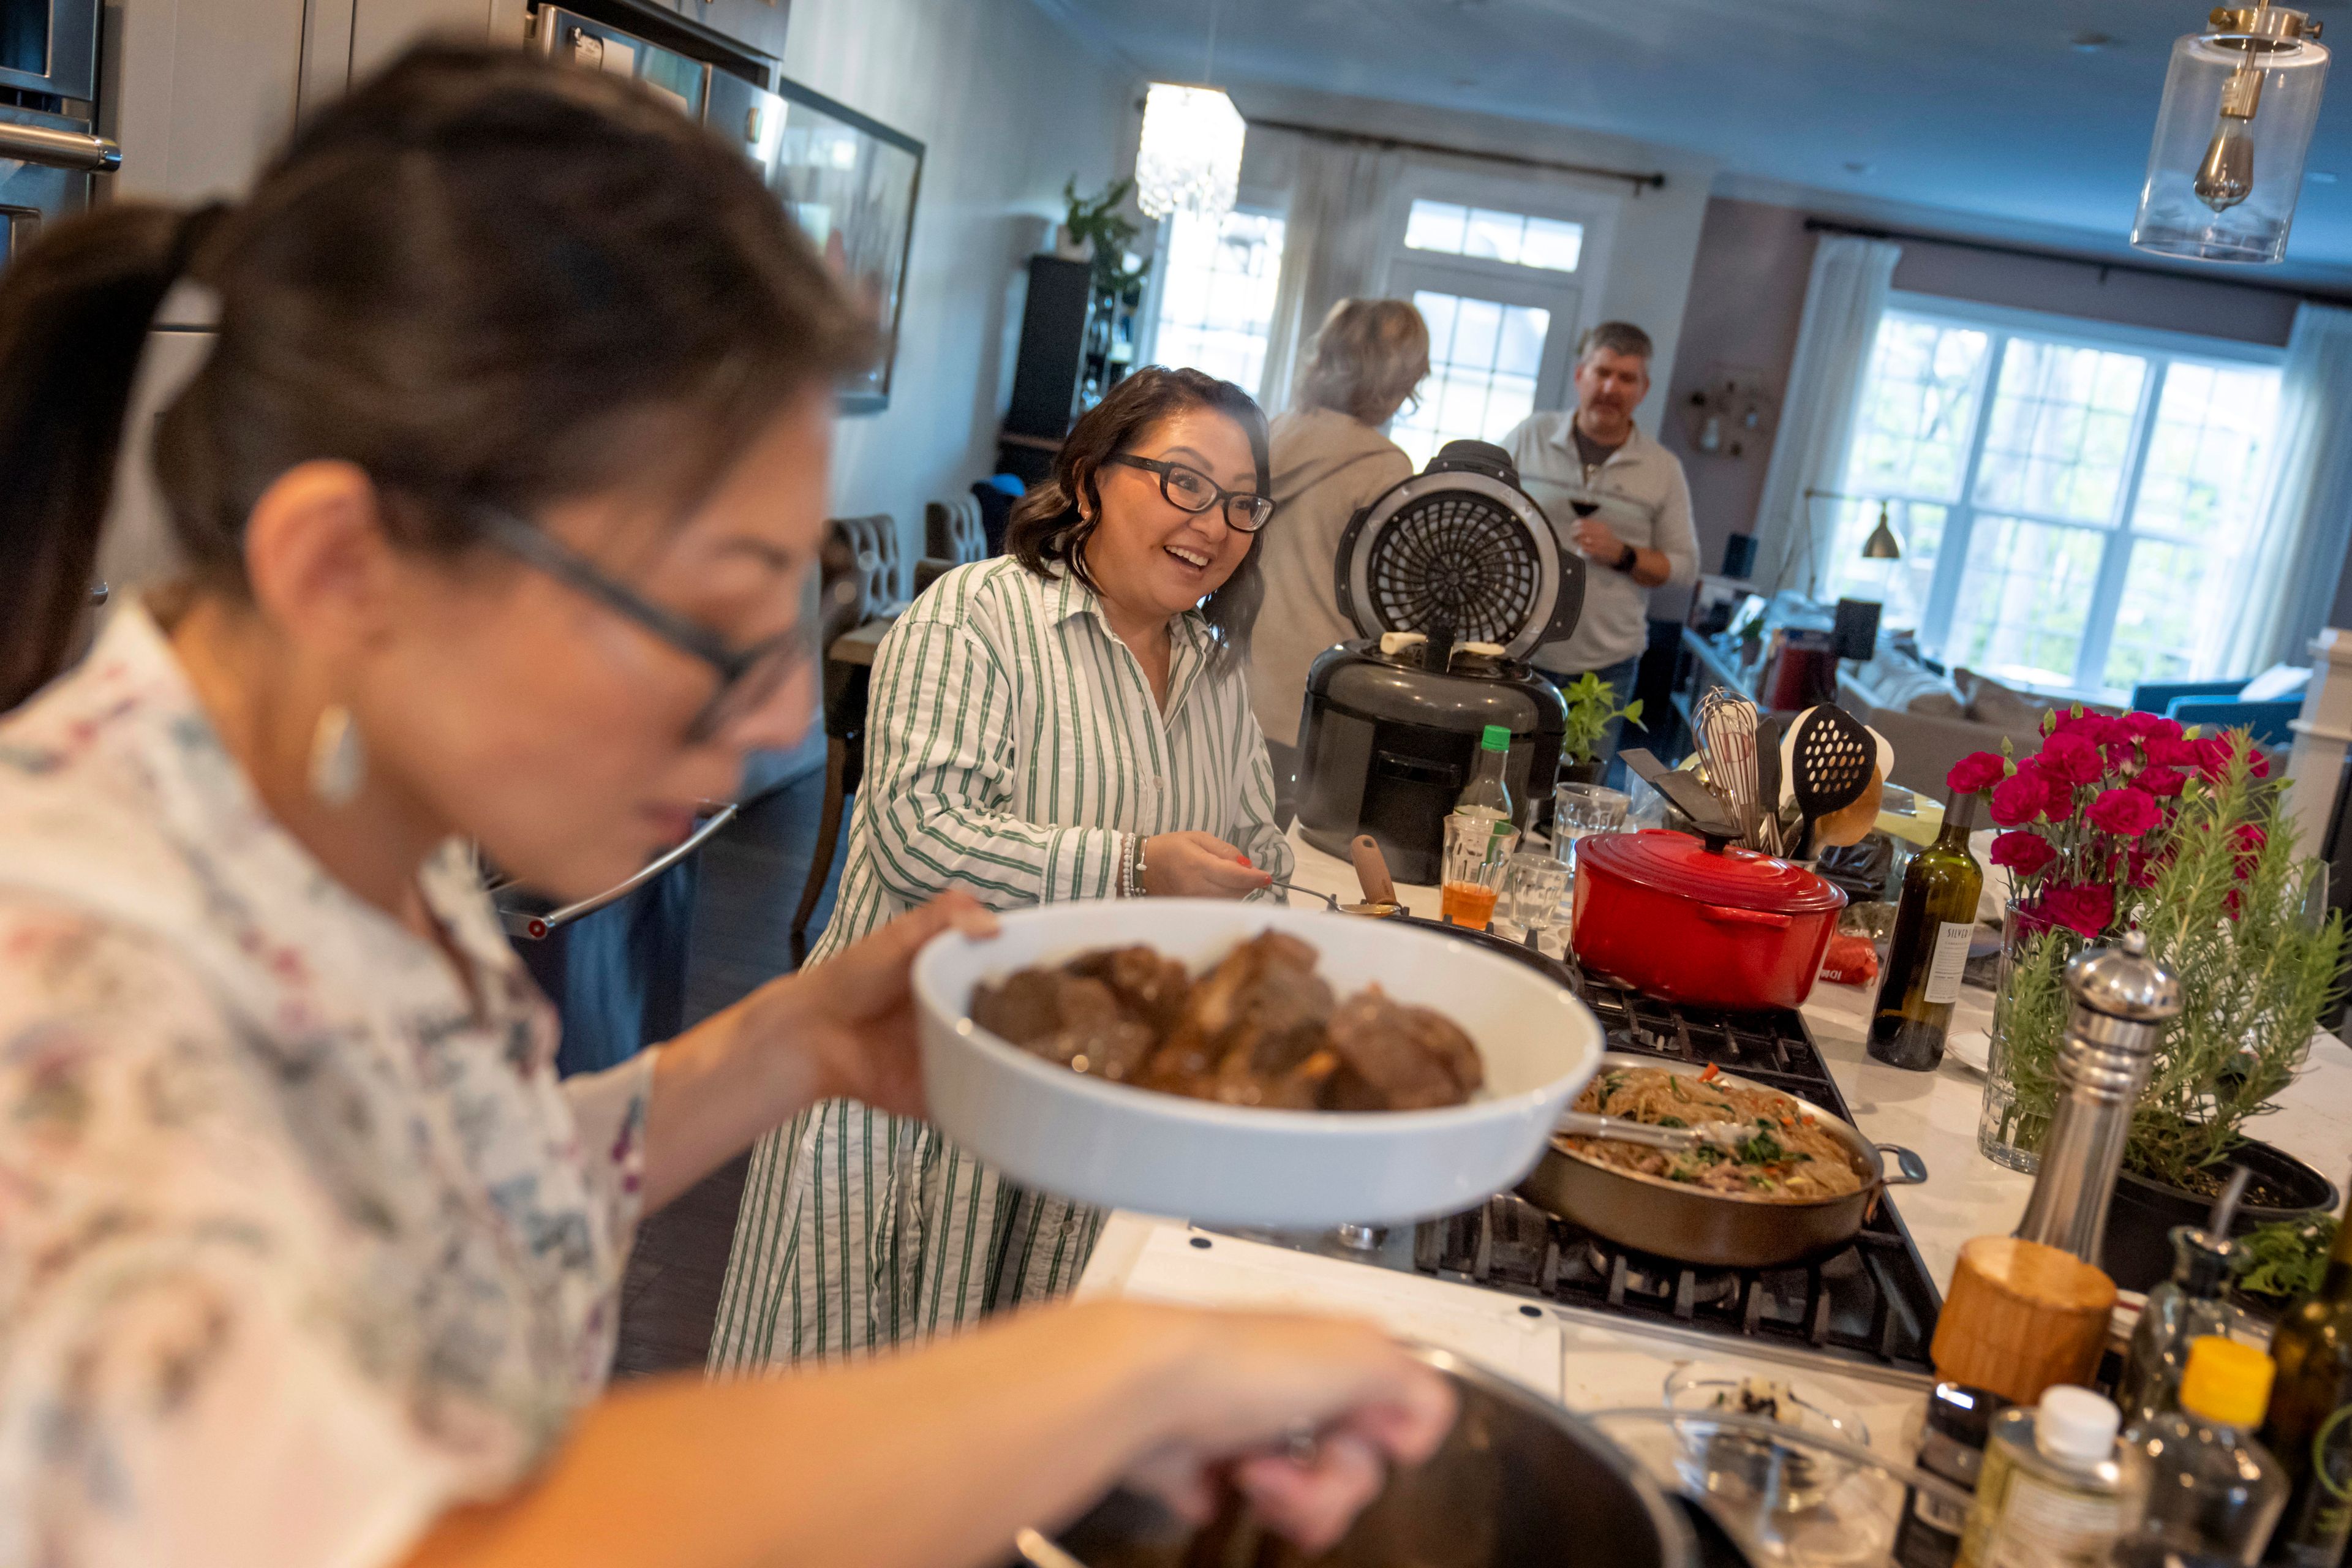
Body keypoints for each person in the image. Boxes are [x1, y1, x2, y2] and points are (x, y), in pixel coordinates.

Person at [0, 46, 1452, 1568]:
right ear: (343, 568)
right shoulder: (72, 984)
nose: (776, 720)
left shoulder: (329, 825)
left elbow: (434, 1197)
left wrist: (783, 1043)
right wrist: (1109, 1369)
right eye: (712, 617)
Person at [711, 366, 1294, 1369]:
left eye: (1244, 503)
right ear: (1091, 477)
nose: (1216, 523)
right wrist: (1136, 868)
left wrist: (1263, 876)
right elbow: (916, 833)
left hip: (1085, 1111)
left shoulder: (1214, 670)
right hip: (914, 1091)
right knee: (833, 1431)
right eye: (1184, 482)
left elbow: (1254, 836)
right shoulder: (977, 617)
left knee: (991, 1439)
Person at [1248, 299, 1429, 813]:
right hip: (1317, 699)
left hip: (1237, 687)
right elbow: (1395, 612)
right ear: (1396, 381)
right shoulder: (1386, 469)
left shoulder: (1271, 434)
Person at [1500, 321, 1699, 768]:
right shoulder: (1530, 436)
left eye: (1626, 378)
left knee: (1576, 792)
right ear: (1580, 375)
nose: (1611, 388)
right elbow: (1483, 512)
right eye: (1603, 372)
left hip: (1605, 666)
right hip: (1519, 650)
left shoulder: (1662, 469)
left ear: (1643, 389)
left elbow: (1685, 568)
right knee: (1502, 775)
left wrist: (1625, 555)